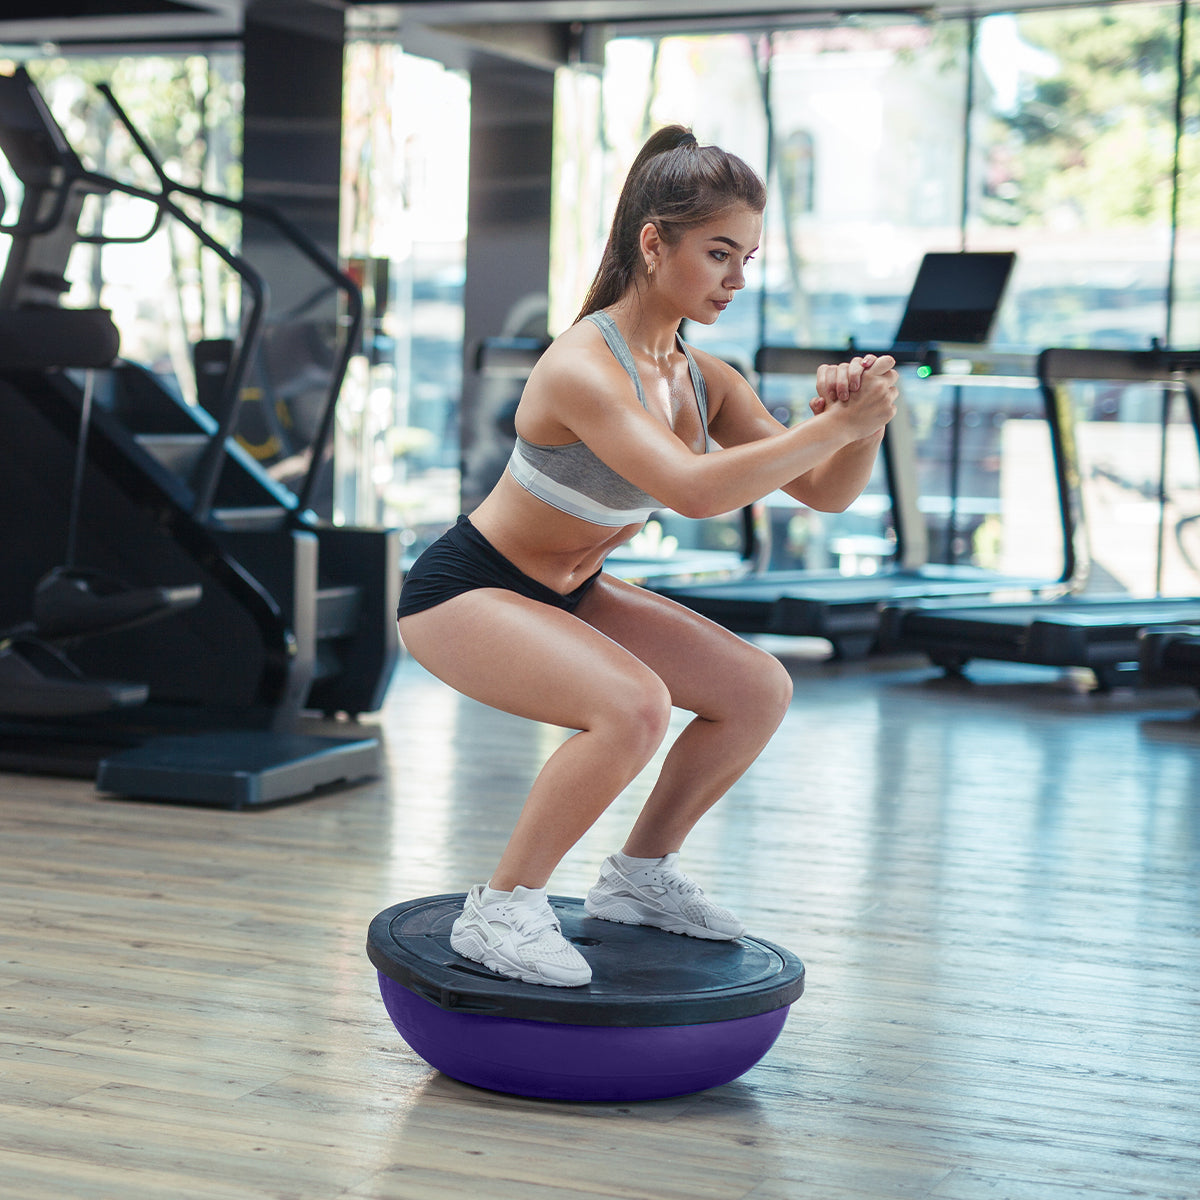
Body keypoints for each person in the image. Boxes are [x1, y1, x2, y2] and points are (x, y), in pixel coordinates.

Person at [396, 125, 898, 988]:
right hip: (465, 590)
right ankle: (502, 909)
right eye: (718, 253)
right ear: (653, 242)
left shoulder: (706, 377)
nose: (737, 279)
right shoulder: (585, 365)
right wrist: (833, 427)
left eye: (747, 257)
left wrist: (862, 425)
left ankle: (638, 879)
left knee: (754, 690)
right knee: (634, 708)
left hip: (574, 587)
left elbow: (825, 491)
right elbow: (696, 490)